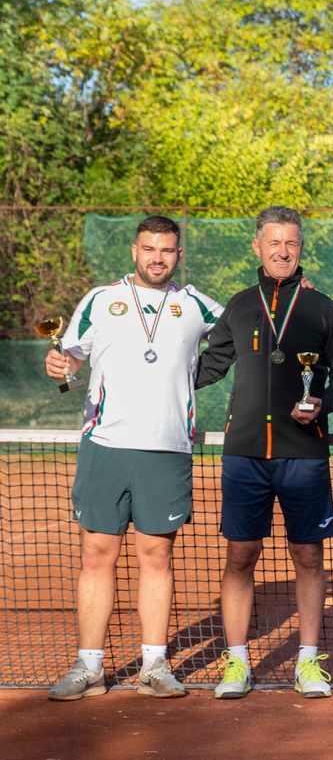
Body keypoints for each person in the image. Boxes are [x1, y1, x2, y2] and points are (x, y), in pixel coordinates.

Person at [44, 215, 222, 701]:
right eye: (149, 248)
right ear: (134, 250)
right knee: (96, 556)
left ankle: (154, 664)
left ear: (178, 254)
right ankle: (89, 667)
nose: (157, 258)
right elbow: (72, 355)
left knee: (156, 557)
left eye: (166, 250)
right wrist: (60, 361)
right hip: (105, 445)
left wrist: (292, 290)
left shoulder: (196, 304)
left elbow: (247, 327)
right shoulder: (100, 300)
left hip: (167, 449)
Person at [196, 205, 333, 699]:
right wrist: (145, 377)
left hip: (303, 454)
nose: (283, 251)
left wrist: (323, 405)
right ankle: (237, 662)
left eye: (293, 243)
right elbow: (208, 367)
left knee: (308, 555)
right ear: (257, 247)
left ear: (301, 248)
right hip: (244, 455)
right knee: (241, 555)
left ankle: (307, 662)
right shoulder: (239, 305)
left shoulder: (321, 307)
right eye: (274, 242)